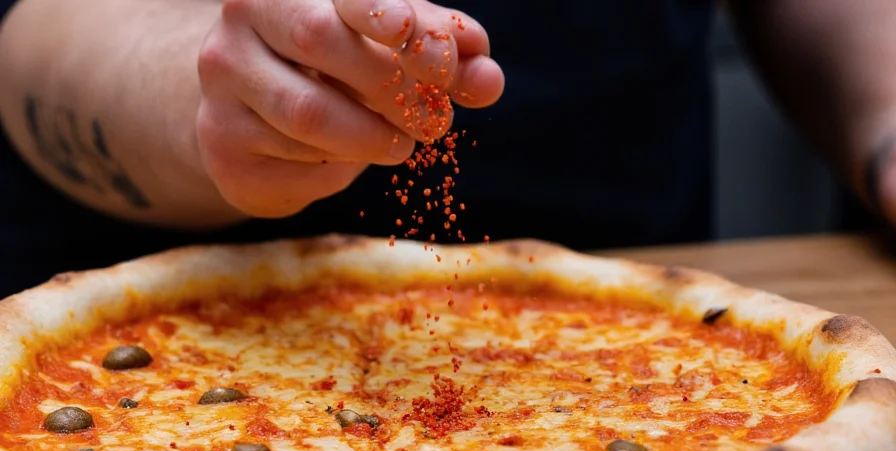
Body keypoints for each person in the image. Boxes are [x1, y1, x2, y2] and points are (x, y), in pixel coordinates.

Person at [0, 0, 895, 299]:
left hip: (646, 327)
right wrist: (219, 107)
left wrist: (888, 121)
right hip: (180, 323)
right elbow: (23, 32)